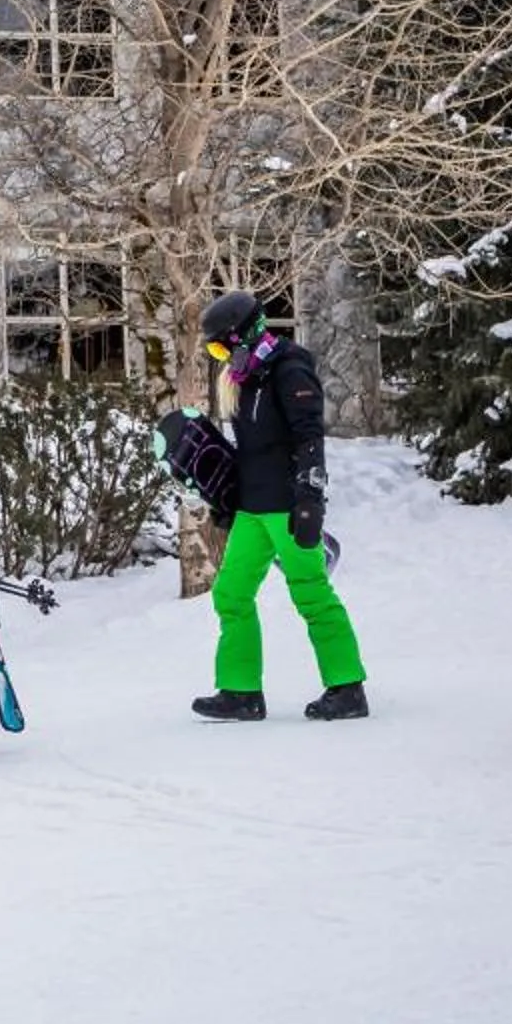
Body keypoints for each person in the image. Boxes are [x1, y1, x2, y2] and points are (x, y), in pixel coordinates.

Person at [189, 291, 369, 724]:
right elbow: (249, 449)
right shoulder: (245, 376)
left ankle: (347, 688)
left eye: (220, 346)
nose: (219, 357)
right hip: (253, 508)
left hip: (288, 506)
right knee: (231, 594)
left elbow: (309, 438)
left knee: (310, 592)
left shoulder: (290, 368)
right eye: (212, 349)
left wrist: (310, 499)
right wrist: (228, 498)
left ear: (244, 333)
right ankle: (241, 692)